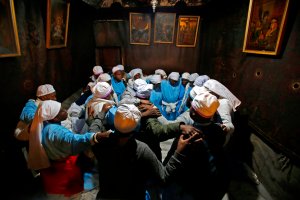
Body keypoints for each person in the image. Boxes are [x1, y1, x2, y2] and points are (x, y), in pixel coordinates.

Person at [91, 104, 200, 200]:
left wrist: (102, 113)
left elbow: (93, 130)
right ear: (136, 126)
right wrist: (179, 151)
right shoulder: (141, 149)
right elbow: (164, 176)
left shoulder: (100, 142)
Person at [27, 100, 111, 199]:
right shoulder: (55, 131)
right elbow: (73, 140)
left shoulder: (43, 125)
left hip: (52, 175)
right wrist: (96, 136)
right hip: (63, 180)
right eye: (61, 111)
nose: (65, 110)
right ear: (54, 117)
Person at [162, 92, 227, 200]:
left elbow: (172, 158)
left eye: (192, 106)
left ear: (193, 113)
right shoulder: (219, 130)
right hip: (205, 182)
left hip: (184, 184)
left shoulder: (186, 136)